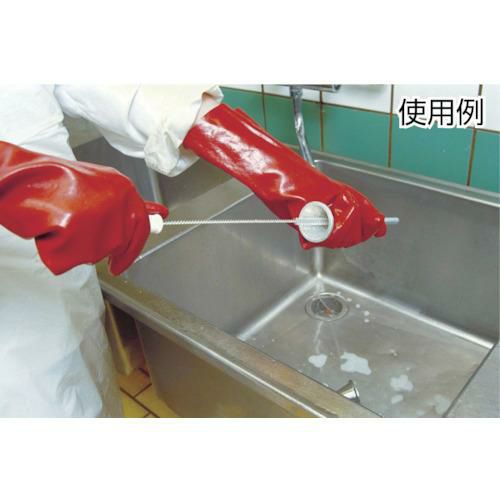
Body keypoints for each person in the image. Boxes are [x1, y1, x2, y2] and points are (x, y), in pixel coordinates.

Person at [0, 85, 386, 417]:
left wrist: (278, 170)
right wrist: (20, 187)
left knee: (87, 399)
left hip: (61, 283)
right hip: (11, 336)